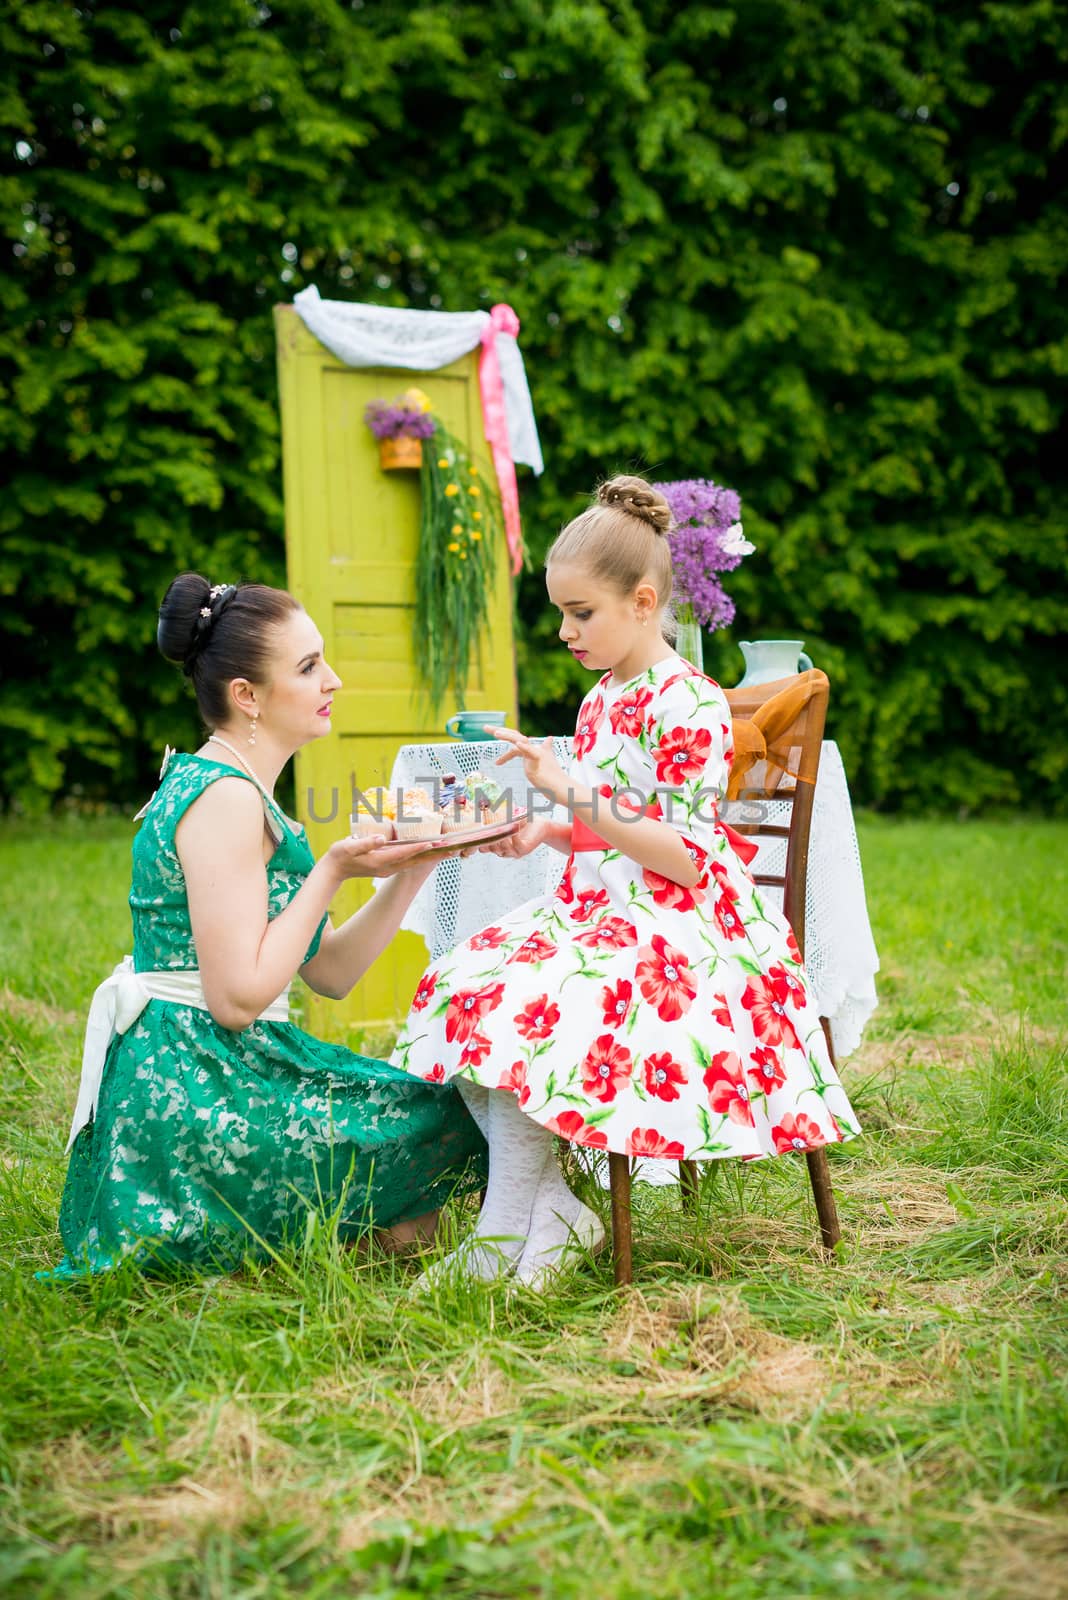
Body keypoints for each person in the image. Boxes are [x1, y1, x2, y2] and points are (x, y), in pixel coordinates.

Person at [390, 475, 860, 1289]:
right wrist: (549, 827)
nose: (566, 631)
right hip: (600, 911)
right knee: (461, 983)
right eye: (561, 613)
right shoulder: (602, 699)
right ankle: (542, 1213)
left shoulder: (693, 706)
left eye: (582, 613)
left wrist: (570, 792)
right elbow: (616, 819)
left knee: (533, 999)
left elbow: (683, 852)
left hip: (686, 929)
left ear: (644, 602)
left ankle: (511, 1231)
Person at [43, 574, 486, 1279]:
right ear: (246, 695)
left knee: (443, 1111)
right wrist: (334, 869)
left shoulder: (241, 789)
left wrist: (417, 865)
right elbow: (236, 999)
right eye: (309, 667)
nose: (332, 679)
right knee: (441, 1125)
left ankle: (331, 1239)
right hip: (195, 1084)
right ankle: (291, 1244)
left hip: (224, 1062)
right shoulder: (223, 798)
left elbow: (331, 973)